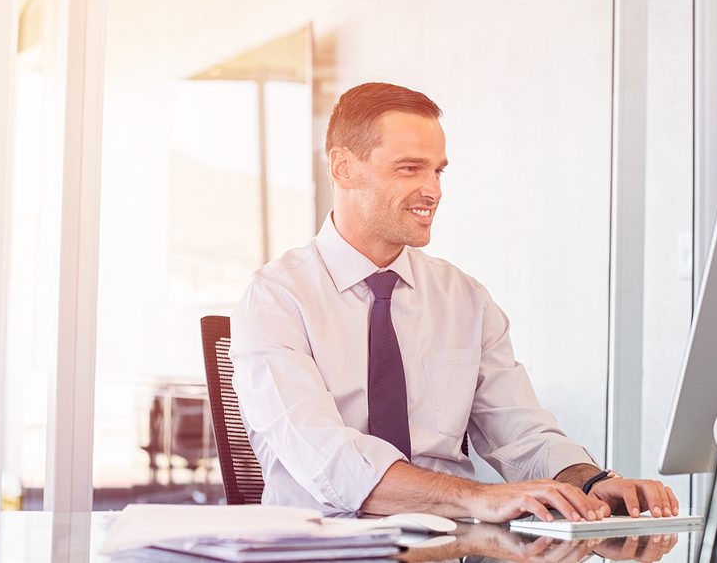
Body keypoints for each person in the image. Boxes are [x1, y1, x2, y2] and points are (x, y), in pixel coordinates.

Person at [230, 82, 679, 523]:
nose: (433, 190)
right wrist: (479, 499)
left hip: (450, 548)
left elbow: (520, 432)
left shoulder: (465, 299)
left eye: (438, 171)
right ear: (344, 168)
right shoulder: (276, 299)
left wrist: (588, 482)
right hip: (320, 550)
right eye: (410, 169)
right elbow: (329, 460)